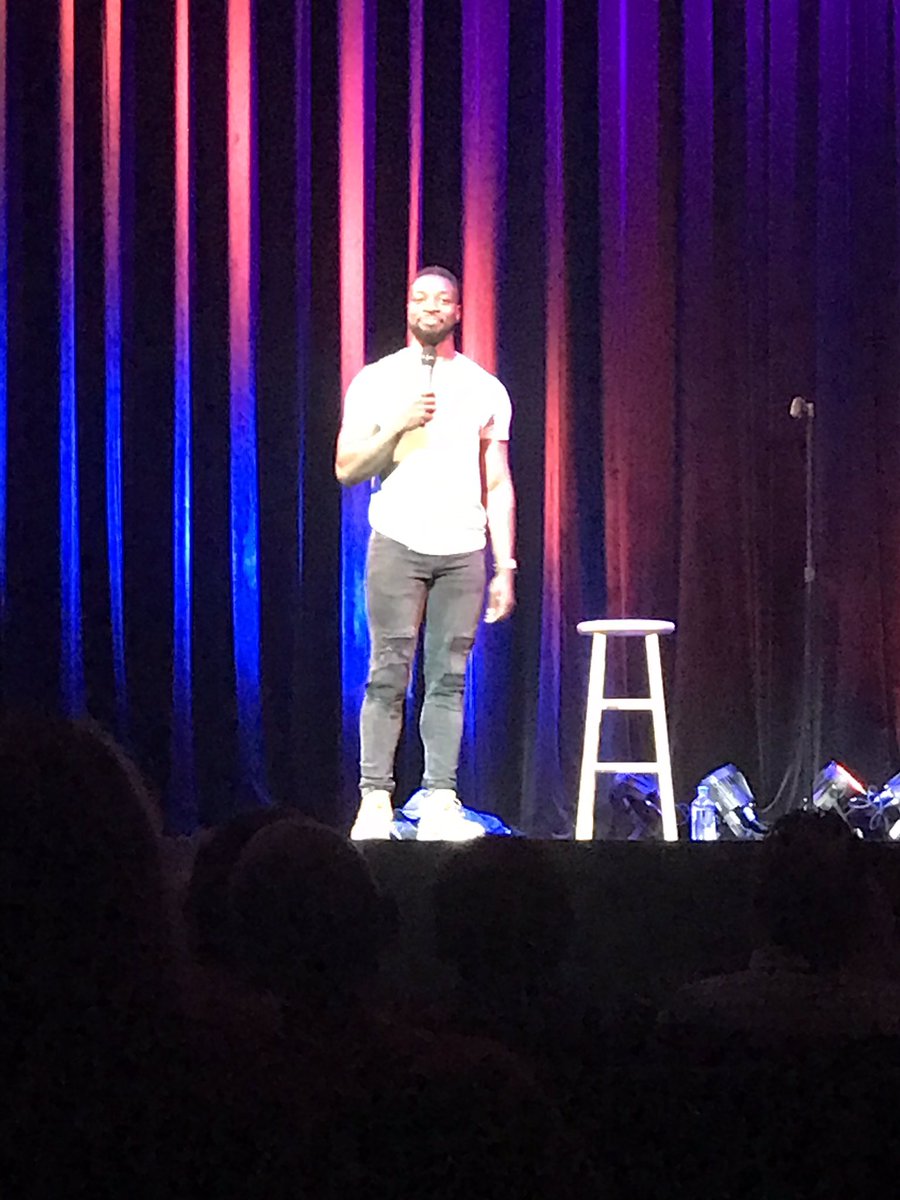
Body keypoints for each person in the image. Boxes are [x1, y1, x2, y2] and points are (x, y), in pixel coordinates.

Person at [335, 265, 516, 841]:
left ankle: (440, 799)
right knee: (387, 673)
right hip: (398, 542)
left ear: (459, 312)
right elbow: (346, 469)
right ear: (408, 309)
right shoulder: (376, 380)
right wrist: (396, 425)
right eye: (420, 298)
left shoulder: (486, 387)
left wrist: (505, 565)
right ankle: (375, 800)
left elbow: (498, 482)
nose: (431, 307)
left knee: (449, 679)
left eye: (443, 300)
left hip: (463, 550)